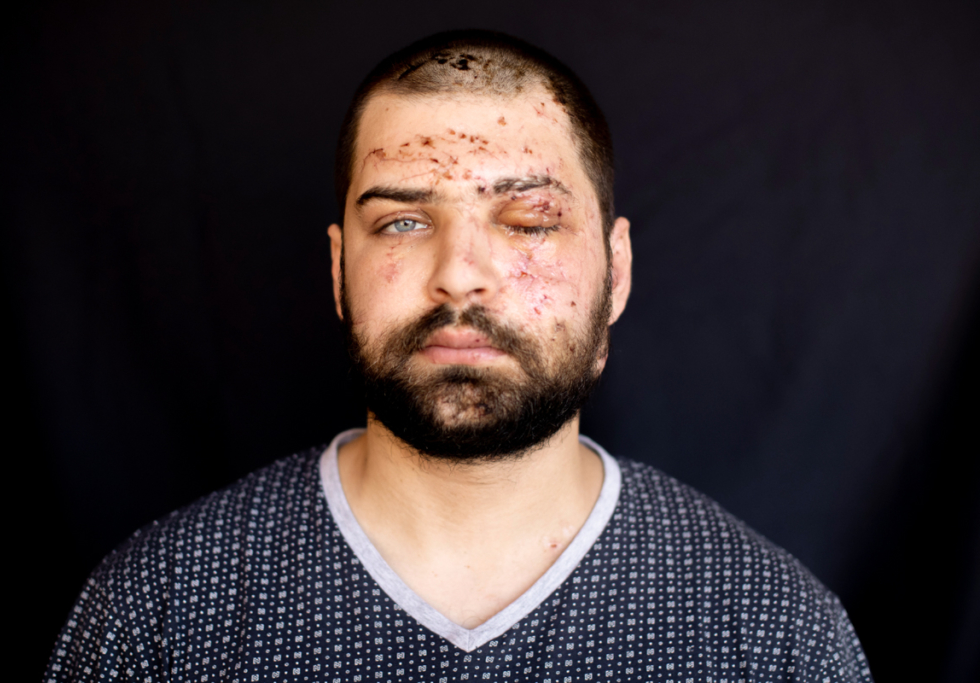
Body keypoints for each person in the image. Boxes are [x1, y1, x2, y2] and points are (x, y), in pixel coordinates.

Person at [45, 30, 872, 683]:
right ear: (338, 270)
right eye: (404, 222)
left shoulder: (772, 633)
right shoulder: (159, 614)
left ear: (616, 273)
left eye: (528, 221)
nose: (460, 275)